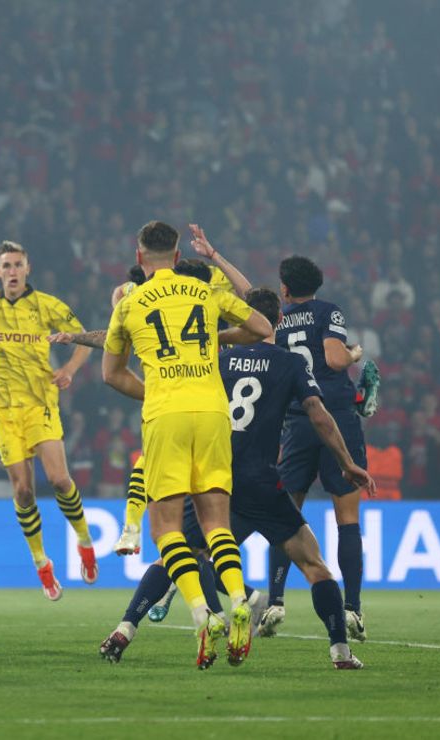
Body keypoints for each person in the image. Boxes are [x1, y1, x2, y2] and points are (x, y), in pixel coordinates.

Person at [102, 288, 375, 669]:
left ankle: (124, 630)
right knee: (315, 566)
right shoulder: (291, 363)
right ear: (278, 322)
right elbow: (318, 414)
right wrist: (347, 462)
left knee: (176, 554)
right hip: (264, 482)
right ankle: (341, 653)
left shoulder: (216, 359)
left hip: (220, 479)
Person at [101, 221, 272, 668]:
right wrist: (217, 340)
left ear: (140, 258)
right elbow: (260, 325)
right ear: (178, 257)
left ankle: (202, 614)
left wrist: (156, 390)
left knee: (166, 528)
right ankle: (238, 597)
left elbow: (111, 374)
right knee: (216, 521)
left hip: (166, 415)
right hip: (215, 411)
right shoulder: (206, 291)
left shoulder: (129, 302)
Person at [0, 240, 97, 600]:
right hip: (1, 409)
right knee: (24, 491)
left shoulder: (47, 306)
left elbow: (85, 338)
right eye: (6, 265)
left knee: (60, 479)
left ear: (27, 269)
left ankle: (84, 542)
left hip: (40, 403)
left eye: (18, 265)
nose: (12, 271)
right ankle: (41, 563)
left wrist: (70, 369)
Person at [264, 256, 374, 641]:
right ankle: (352, 609)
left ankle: (275, 601)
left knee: (284, 513)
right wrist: (356, 353)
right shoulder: (329, 312)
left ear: (285, 289)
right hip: (337, 418)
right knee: (347, 517)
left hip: (297, 421)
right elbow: (334, 357)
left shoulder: (276, 321)